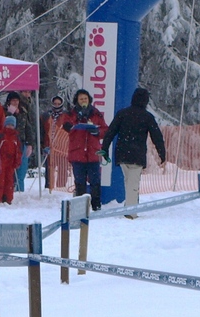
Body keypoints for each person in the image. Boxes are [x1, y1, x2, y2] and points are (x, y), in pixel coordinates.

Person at [100, 86, 167, 218]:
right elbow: (157, 136)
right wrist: (162, 154)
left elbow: (111, 131)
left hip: (122, 152)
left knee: (128, 181)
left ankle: (130, 205)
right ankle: (131, 212)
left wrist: (105, 148)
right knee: (133, 184)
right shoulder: (147, 117)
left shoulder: (122, 113)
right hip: (137, 154)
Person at [62, 88, 108, 211]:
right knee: (80, 181)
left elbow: (105, 130)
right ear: (77, 100)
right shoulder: (71, 113)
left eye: (85, 99)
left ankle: (96, 205)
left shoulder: (96, 113)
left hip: (93, 153)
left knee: (95, 181)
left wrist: (97, 131)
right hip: (77, 153)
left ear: (89, 100)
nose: (83, 101)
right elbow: (66, 126)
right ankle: (80, 207)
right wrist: (77, 118)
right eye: (81, 99)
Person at [4, 91, 34, 192]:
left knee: (22, 169)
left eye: (17, 100)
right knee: (10, 169)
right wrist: (9, 113)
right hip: (8, 143)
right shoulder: (3, 111)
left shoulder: (23, 111)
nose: (15, 102)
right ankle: (9, 189)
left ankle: (20, 190)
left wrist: (30, 143)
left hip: (22, 142)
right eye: (13, 100)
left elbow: (28, 128)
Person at [40, 94, 68, 190]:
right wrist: (42, 145)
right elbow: (42, 131)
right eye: (55, 103)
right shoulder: (46, 115)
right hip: (49, 146)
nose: (56, 105)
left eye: (58, 103)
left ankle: (61, 187)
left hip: (62, 147)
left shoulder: (66, 115)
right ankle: (49, 187)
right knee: (49, 168)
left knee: (62, 168)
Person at [0, 115, 22, 204]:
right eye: (8, 124)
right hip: (1, 162)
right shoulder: (0, 136)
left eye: (12, 125)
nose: (10, 127)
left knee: (9, 182)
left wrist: (17, 161)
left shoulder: (16, 137)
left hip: (11, 163)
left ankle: (8, 199)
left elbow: (18, 150)